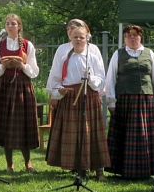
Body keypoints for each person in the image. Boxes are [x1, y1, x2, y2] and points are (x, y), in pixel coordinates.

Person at [46, 23, 109, 180]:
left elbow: (102, 80)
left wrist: (91, 79)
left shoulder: (93, 58)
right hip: (71, 98)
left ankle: (99, 170)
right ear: (71, 39)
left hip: (90, 97)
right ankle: (80, 168)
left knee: (92, 134)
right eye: (76, 37)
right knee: (75, 135)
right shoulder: (64, 59)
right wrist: (59, 90)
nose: (79, 40)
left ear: (87, 39)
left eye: (82, 37)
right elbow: (56, 81)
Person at [0, 13, 40, 174]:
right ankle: (9, 165)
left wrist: (21, 66)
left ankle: (28, 163)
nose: (10, 26)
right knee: (6, 124)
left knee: (23, 124)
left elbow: (34, 72)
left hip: (22, 86)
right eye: (7, 23)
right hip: (3, 87)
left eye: (13, 23)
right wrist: (4, 66)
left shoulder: (28, 45)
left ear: (19, 26)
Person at [104, 24, 154, 179]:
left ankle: (145, 171)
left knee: (144, 137)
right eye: (128, 35)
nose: (132, 37)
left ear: (140, 36)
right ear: (124, 38)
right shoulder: (118, 54)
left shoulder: (149, 53)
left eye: (135, 35)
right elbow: (110, 78)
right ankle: (122, 169)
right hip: (125, 100)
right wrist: (111, 101)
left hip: (145, 100)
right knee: (124, 137)